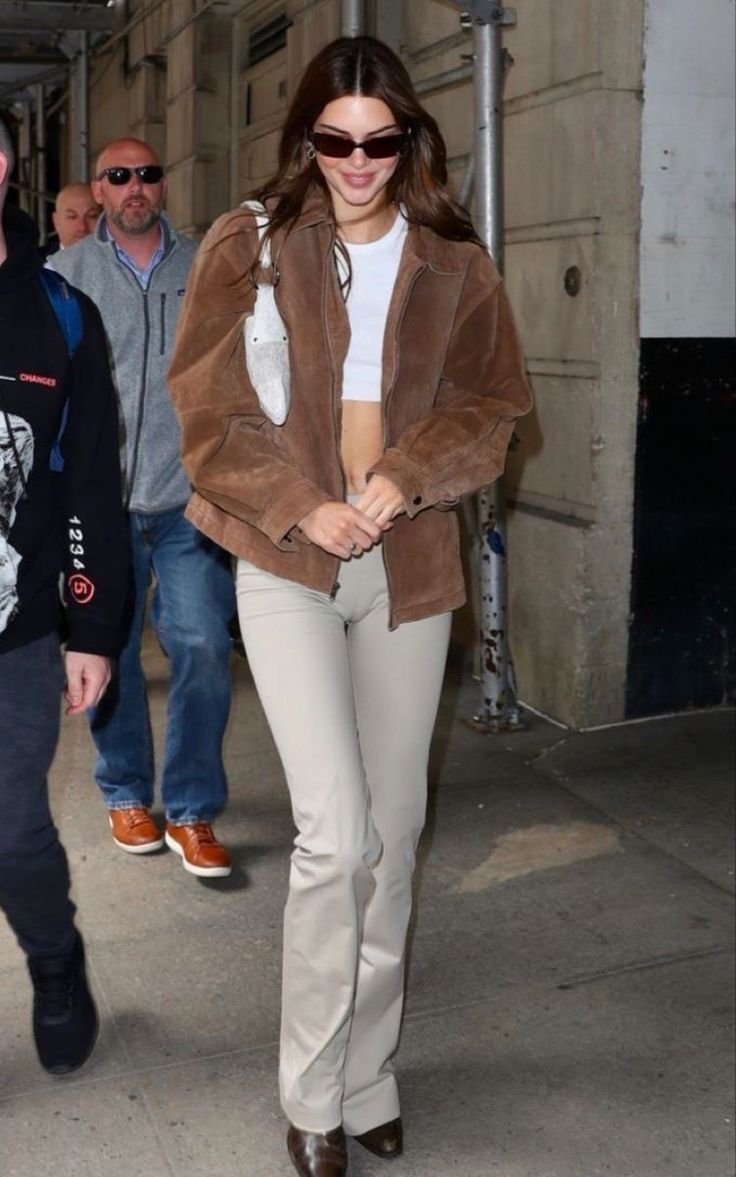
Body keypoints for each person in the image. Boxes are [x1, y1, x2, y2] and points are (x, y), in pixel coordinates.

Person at [169, 35, 533, 1177]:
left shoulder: (452, 262)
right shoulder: (251, 246)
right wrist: (303, 505)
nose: (358, 160)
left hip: (409, 563)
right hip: (287, 562)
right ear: (306, 137)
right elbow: (208, 412)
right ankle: (312, 1094)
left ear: (410, 139)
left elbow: (494, 404)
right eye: (335, 138)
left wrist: (402, 476)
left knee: (394, 834)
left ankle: (369, 1072)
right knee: (333, 834)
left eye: (381, 140)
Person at [52, 138, 236, 878]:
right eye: (119, 176)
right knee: (112, 656)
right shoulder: (66, 275)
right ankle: (126, 791)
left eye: (148, 175)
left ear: (163, 184)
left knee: (200, 645)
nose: (135, 187)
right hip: (98, 510)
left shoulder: (207, 269)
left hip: (190, 502)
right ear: (98, 190)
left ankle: (192, 809)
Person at [0, 119, 126, 1074]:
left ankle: (55, 961)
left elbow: (87, 482)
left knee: (11, 826)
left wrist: (93, 625)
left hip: (21, 630)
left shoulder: (61, 315)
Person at [50, 182, 100, 251]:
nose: (82, 227)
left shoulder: (116, 259)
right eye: (72, 217)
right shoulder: (36, 261)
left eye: (91, 216)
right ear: (56, 221)